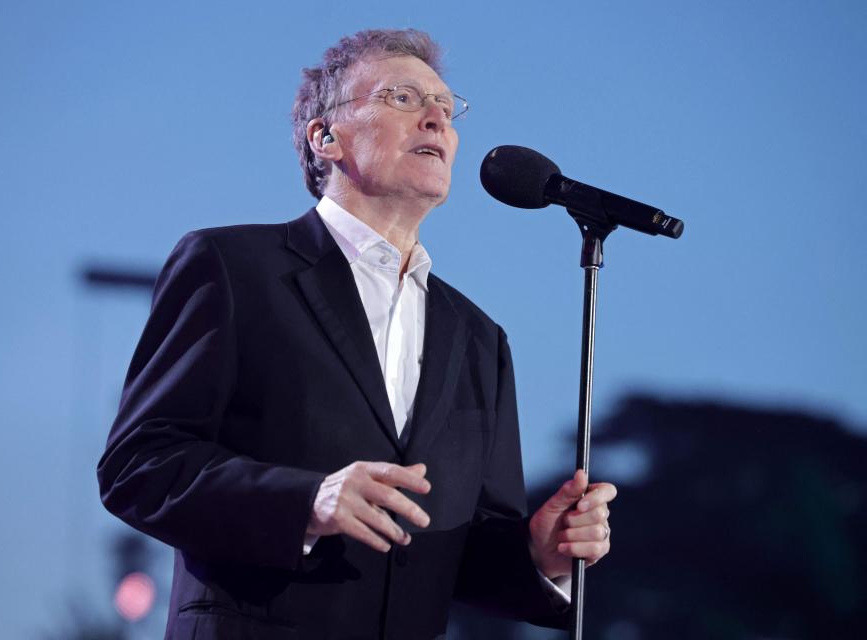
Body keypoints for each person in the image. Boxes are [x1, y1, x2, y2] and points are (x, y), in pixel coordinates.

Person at [97, 28, 616, 640]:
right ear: (326, 137)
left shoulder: (479, 338)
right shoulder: (233, 266)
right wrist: (307, 501)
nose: (436, 120)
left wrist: (537, 555)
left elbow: (458, 551)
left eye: (447, 110)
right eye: (403, 97)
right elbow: (140, 464)